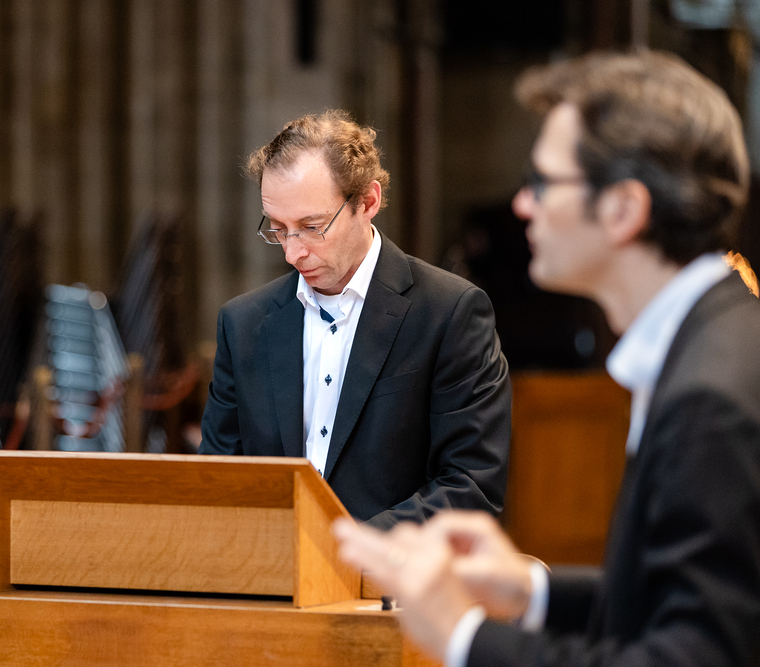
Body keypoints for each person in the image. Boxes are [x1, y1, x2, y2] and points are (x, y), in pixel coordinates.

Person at [334, 50, 760, 666]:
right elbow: (683, 601)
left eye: (542, 182)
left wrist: (463, 637)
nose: (522, 205)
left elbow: (692, 657)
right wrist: (529, 590)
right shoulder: (714, 340)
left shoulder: (709, 397)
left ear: (623, 209)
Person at [198, 110, 512, 529]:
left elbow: (471, 486)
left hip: (392, 566)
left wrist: (346, 548)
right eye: (279, 229)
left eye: (311, 226)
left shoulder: (450, 312)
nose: (293, 253)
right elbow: (217, 480)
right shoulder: (242, 324)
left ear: (368, 202)